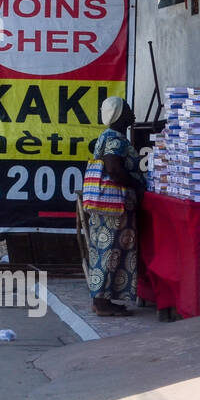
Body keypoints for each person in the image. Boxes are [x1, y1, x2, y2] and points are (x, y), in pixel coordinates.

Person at [79, 97, 144, 317]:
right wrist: (137, 184)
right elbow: (114, 169)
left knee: (101, 250)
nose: (131, 113)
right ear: (118, 114)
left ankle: (101, 300)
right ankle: (101, 302)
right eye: (127, 109)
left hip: (103, 204)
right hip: (115, 206)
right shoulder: (116, 140)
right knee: (110, 252)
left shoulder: (106, 136)